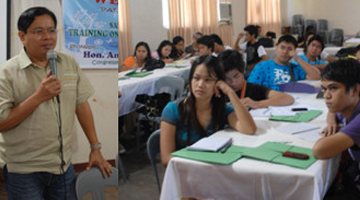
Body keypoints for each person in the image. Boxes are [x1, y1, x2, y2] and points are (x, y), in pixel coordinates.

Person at [0, 7, 112, 199]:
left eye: (52, 30)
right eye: (38, 31)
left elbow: (81, 105)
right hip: (23, 170)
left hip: (62, 165)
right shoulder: (7, 72)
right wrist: (38, 97)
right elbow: (2, 122)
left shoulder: (68, 63)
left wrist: (95, 148)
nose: (48, 37)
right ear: (22, 36)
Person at [160, 55, 256, 166]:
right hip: (186, 173)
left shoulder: (222, 110)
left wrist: (230, 92)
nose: (200, 85)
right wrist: (202, 164)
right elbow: (166, 159)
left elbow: (249, 129)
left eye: (208, 80)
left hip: (215, 172)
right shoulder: (173, 110)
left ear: (218, 83)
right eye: (196, 78)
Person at [313, 59, 360, 199]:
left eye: (333, 88)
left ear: (355, 90)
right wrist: (331, 118)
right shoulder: (348, 105)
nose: (326, 96)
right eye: (324, 89)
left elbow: (320, 150)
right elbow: (333, 111)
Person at [218, 50, 294, 109]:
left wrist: (256, 104)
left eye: (236, 76)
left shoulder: (253, 88)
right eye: (227, 79)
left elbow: (287, 98)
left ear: (243, 71)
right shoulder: (218, 91)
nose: (233, 82)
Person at [247, 35, 321, 91]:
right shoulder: (262, 66)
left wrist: (297, 58)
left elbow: (316, 77)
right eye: (282, 48)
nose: (285, 51)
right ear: (276, 48)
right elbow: (250, 89)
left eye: (290, 49)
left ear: (294, 51)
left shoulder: (295, 68)